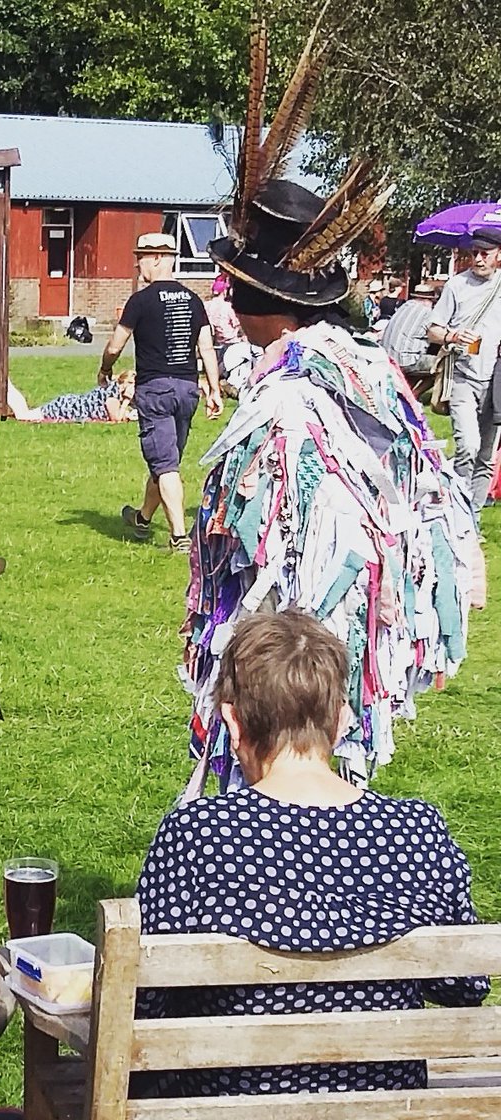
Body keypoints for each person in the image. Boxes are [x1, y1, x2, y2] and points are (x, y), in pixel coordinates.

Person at [184, 34, 476, 790]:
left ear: (256, 301)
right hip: (346, 641)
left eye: (233, 289)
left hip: (297, 640)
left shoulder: (291, 399)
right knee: (336, 781)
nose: (227, 302)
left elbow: (281, 544)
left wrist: (267, 645)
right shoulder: (363, 370)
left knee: (282, 784)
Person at [131, 610, 487, 1120]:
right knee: (331, 1042)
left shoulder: (198, 830)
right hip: (372, 1089)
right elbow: (465, 986)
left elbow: (148, 996)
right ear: (344, 720)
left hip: (227, 1089)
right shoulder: (417, 830)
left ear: (232, 722)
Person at [100, 232, 221, 552]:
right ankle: (141, 519)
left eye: (140, 256)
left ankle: (179, 536)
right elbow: (207, 349)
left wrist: (105, 367)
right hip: (187, 390)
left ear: (157, 258)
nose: (136, 262)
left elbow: (115, 344)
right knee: (165, 459)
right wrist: (215, 390)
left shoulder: (140, 300)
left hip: (156, 390)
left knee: (166, 465)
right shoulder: (194, 300)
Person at [425, 226, 501, 515]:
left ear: (498, 255)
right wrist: (454, 336)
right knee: (468, 445)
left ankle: (473, 517)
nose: (479, 259)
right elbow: (432, 330)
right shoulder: (457, 285)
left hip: (495, 379)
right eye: (475, 253)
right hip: (462, 376)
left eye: (485, 254)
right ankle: (456, 510)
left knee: (486, 455)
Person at [5, 371, 136, 423]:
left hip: (69, 403)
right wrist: (127, 400)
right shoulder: (112, 396)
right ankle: (5, 385)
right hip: (66, 409)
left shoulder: (112, 388)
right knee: (23, 416)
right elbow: (117, 419)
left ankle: (6, 385)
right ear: (124, 384)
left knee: (26, 413)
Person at [380, 280, 439, 386]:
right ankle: (414, 396)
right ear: (429, 300)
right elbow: (436, 335)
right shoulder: (427, 312)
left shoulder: (404, 306)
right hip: (406, 361)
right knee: (443, 364)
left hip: (387, 357)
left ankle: (408, 393)